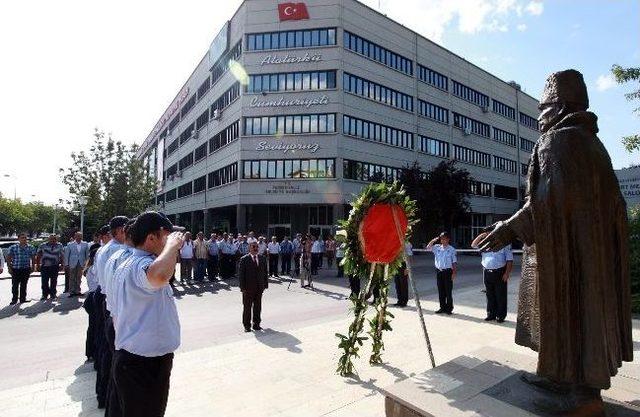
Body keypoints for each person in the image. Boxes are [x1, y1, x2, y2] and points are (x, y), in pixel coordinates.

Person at [477, 70, 633, 409]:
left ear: (560, 106)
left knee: (566, 307)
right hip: (589, 255)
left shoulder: (557, 142)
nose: (538, 118)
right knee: (583, 310)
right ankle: (571, 380)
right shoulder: (595, 146)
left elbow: (548, 201)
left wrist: (508, 227)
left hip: (566, 254)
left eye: (543, 108)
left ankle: (571, 384)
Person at [111, 211, 184, 417]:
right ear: (151, 238)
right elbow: (159, 276)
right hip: (142, 365)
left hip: (139, 361)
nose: (172, 241)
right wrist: (172, 246)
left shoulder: (132, 263)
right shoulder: (140, 265)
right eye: (166, 236)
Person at [93, 215, 128, 409]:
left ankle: (102, 393)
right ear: (121, 230)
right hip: (110, 302)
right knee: (111, 353)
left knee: (105, 349)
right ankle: (106, 396)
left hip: (104, 296)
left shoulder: (107, 249)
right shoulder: (117, 250)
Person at [471, 231, 513, 323]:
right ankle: (491, 314)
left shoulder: (504, 245)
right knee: (489, 295)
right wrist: (481, 236)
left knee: (500, 295)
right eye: (489, 235)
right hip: (487, 272)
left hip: (500, 272)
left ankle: (500, 316)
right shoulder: (484, 245)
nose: (491, 236)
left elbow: (509, 260)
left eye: (493, 234)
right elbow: (473, 245)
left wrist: (507, 273)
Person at [238, 241, 268, 332]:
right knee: (247, 307)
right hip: (248, 288)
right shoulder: (244, 259)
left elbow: (265, 273)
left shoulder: (262, 258)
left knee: (258, 306)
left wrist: (265, 285)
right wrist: (242, 288)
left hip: (259, 287)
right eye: (253, 247)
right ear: (249, 248)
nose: (255, 248)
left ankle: (256, 323)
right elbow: (241, 275)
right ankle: (247, 325)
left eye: (257, 247)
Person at [426, 232, 457, 315]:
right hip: (439, 271)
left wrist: (454, 273)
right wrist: (433, 240)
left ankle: (449, 308)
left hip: (448, 272)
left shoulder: (451, 249)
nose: (443, 240)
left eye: (444, 238)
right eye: (441, 238)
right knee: (441, 291)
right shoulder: (437, 247)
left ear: (448, 239)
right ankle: (442, 307)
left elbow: (454, 262)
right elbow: (428, 248)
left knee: (448, 291)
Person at [6, 233, 36, 305]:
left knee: (24, 285)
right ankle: (14, 299)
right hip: (16, 269)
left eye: (25, 238)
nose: (24, 239)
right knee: (15, 285)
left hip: (26, 269)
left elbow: (33, 258)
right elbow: (8, 258)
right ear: (18, 239)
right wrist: (9, 268)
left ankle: (23, 299)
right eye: (22, 238)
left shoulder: (30, 247)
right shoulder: (13, 247)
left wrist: (33, 267)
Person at [83, 247, 100, 362]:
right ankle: (93, 352)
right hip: (94, 297)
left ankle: (90, 352)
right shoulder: (94, 269)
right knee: (95, 326)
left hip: (91, 297)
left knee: (92, 326)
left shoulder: (89, 268)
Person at [36, 234, 64, 300]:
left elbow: (62, 255)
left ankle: (53, 294)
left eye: (54, 239)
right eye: (51, 238)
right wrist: (37, 265)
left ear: (56, 239)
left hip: (55, 266)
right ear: (48, 239)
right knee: (44, 282)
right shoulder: (43, 245)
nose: (53, 240)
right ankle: (44, 294)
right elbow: (38, 255)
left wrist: (62, 265)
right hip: (45, 266)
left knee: (54, 281)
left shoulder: (59, 245)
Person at [64, 232, 89, 297]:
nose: (79, 237)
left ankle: (77, 291)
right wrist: (66, 264)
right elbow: (66, 255)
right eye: (77, 236)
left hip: (81, 263)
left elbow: (87, 255)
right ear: (75, 236)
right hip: (72, 263)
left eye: (80, 236)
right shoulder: (70, 244)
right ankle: (71, 291)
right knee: (72, 277)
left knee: (79, 277)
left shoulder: (85, 244)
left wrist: (86, 264)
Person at [394, 241, 413, 307]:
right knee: (397, 283)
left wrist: (408, 268)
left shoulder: (407, 243)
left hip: (403, 264)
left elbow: (410, 255)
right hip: (396, 264)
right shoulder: (395, 241)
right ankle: (399, 300)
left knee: (403, 284)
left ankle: (404, 301)